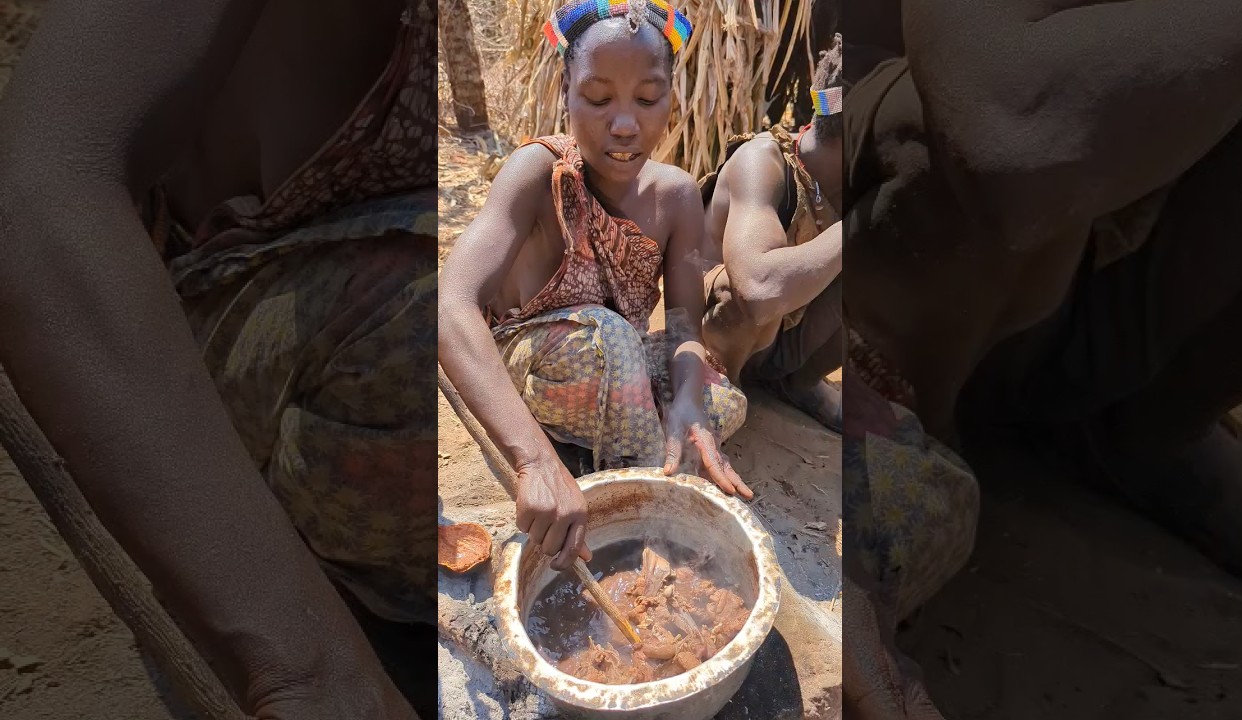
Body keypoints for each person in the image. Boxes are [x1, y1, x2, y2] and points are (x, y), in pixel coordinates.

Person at [0, 1, 438, 717]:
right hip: (220, 308)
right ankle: (336, 605)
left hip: (398, 270)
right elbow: (39, 200)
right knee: (425, 347)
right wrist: (317, 678)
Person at [842, 1, 1242, 715]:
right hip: (892, 257)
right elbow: (1003, 124)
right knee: (955, 120)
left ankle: (1150, 424)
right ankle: (878, 462)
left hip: (1081, 296)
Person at [439, 0, 751, 574]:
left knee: (721, 400)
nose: (626, 123)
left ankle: (617, 452)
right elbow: (449, 305)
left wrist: (686, 400)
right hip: (540, 362)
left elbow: (683, 328)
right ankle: (637, 514)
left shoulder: (678, 195)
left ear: (671, 101)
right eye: (600, 99)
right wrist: (531, 461)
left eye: (648, 99)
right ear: (566, 92)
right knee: (609, 339)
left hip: (619, 365)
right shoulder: (536, 173)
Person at [700, 37, 844, 432]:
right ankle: (715, 393)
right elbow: (757, 291)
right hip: (718, 337)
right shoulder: (763, 162)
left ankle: (797, 383)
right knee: (738, 288)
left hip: (780, 343)